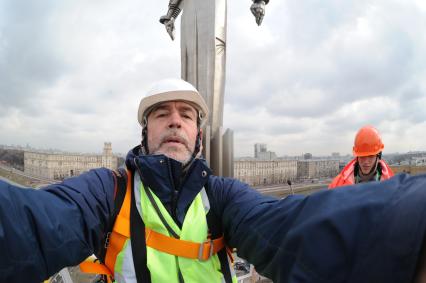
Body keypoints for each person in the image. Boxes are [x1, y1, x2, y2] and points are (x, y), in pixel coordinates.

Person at [2, 79, 426, 283]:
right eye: (161, 113)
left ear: (198, 135)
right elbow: (38, 223)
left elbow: (290, 229)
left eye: (186, 115)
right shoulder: (109, 192)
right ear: (145, 133)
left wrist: (407, 228)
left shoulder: (221, 197)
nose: (174, 120)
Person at [329, 125, 394, 189]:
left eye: (371, 156)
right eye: (362, 156)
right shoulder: (338, 184)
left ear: (378, 156)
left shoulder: (391, 186)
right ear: (357, 156)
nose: (366, 162)